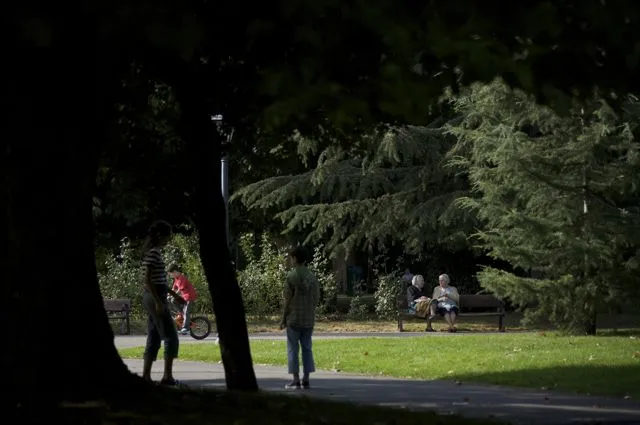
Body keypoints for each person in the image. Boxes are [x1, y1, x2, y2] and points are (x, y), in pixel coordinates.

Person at [140, 220, 183, 385]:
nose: (169, 239)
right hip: (154, 297)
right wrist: (158, 301)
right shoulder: (153, 253)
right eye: (167, 236)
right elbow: (147, 280)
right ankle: (167, 377)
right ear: (160, 235)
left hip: (155, 295)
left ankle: (146, 376)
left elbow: (159, 280)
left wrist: (173, 294)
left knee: (154, 335)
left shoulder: (152, 252)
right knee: (171, 336)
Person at [280, 246, 320, 390]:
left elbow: (287, 300)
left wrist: (283, 318)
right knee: (307, 348)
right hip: (308, 319)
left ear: (295, 259)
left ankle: (296, 379)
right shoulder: (312, 277)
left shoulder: (291, 277)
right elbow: (316, 298)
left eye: (291, 258)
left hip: (294, 318)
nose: (290, 260)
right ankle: (307, 379)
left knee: (293, 349)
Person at [168, 264, 198, 335]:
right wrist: (168, 295)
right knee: (173, 300)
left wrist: (173, 295)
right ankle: (181, 314)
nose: (170, 276)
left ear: (175, 272)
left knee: (186, 311)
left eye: (170, 274)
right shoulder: (176, 279)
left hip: (189, 297)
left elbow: (179, 289)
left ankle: (186, 329)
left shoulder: (182, 278)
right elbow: (174, 288)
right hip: (184, 297)